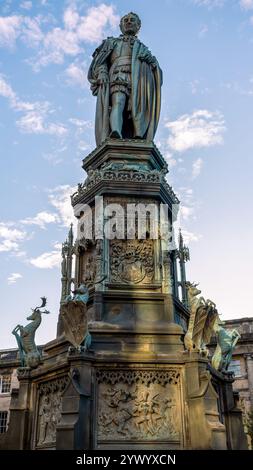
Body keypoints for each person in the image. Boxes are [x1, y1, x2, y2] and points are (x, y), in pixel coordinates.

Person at [88, 12, 163, 145]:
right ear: (120, 25)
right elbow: (99, 62)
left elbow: (157, 75)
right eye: (126, 20)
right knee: (118, 102)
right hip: (119, 75)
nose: (129, 22)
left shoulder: (143, 49)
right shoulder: (111, 43)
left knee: (135, 111)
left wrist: (152, 63)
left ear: (138, 26)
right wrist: (102, 72)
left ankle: (138, 135)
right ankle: (115, 132)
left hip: (139, 82)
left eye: (132, 20)